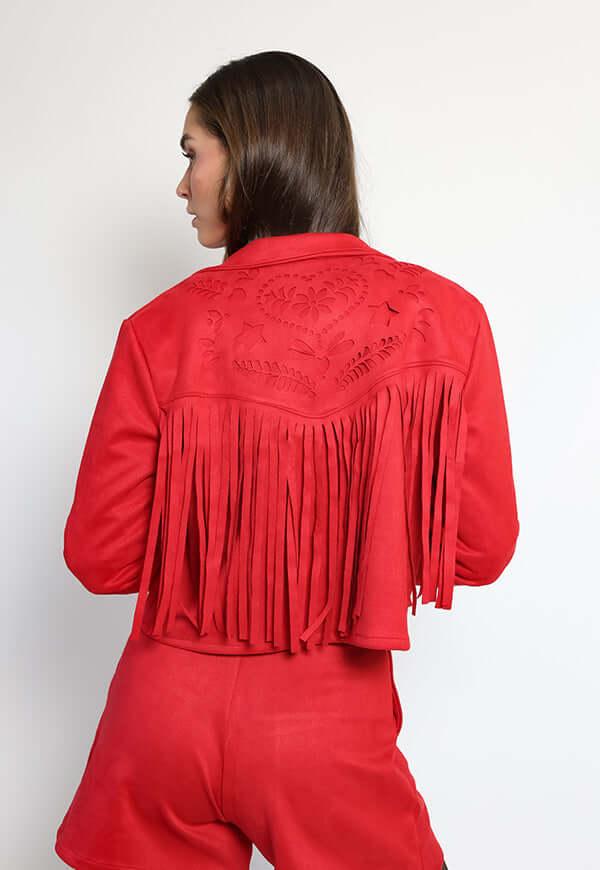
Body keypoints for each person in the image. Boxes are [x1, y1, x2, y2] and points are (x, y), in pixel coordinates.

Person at [54, 50, 519, 870]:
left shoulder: (157, 329)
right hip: (327, 726)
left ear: (252, 154)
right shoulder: (449, 319)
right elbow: (479, 552)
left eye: (193, 154)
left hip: (157, 725)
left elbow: (100, 558)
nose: (182, 185)